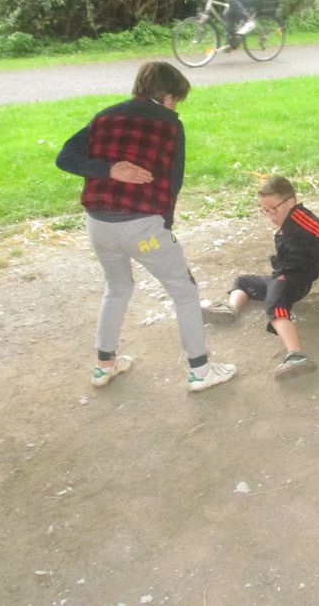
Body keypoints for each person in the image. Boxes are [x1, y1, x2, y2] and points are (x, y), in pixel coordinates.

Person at [56, 61, 236, 392]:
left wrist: (106, 170)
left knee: (117, 287)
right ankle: (200, 371)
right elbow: (173, 180)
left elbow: (64, 157)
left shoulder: (104, 116)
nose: (174, 108)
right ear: (167, 96)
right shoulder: (170, 125)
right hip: (141, 229)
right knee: (183, 290)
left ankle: (103, 366)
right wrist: (164, 225)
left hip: (98, 225)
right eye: (175, 100)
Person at [201, 175, 319, 379]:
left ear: (290, 202)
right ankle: (231, 310)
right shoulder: (295, 225)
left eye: (273, 209)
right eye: (265, 210)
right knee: (243, 282)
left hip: (292, 280)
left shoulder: (299, 216)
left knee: (276, 308)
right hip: (283, 278)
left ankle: (296, 355)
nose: (270, 215)